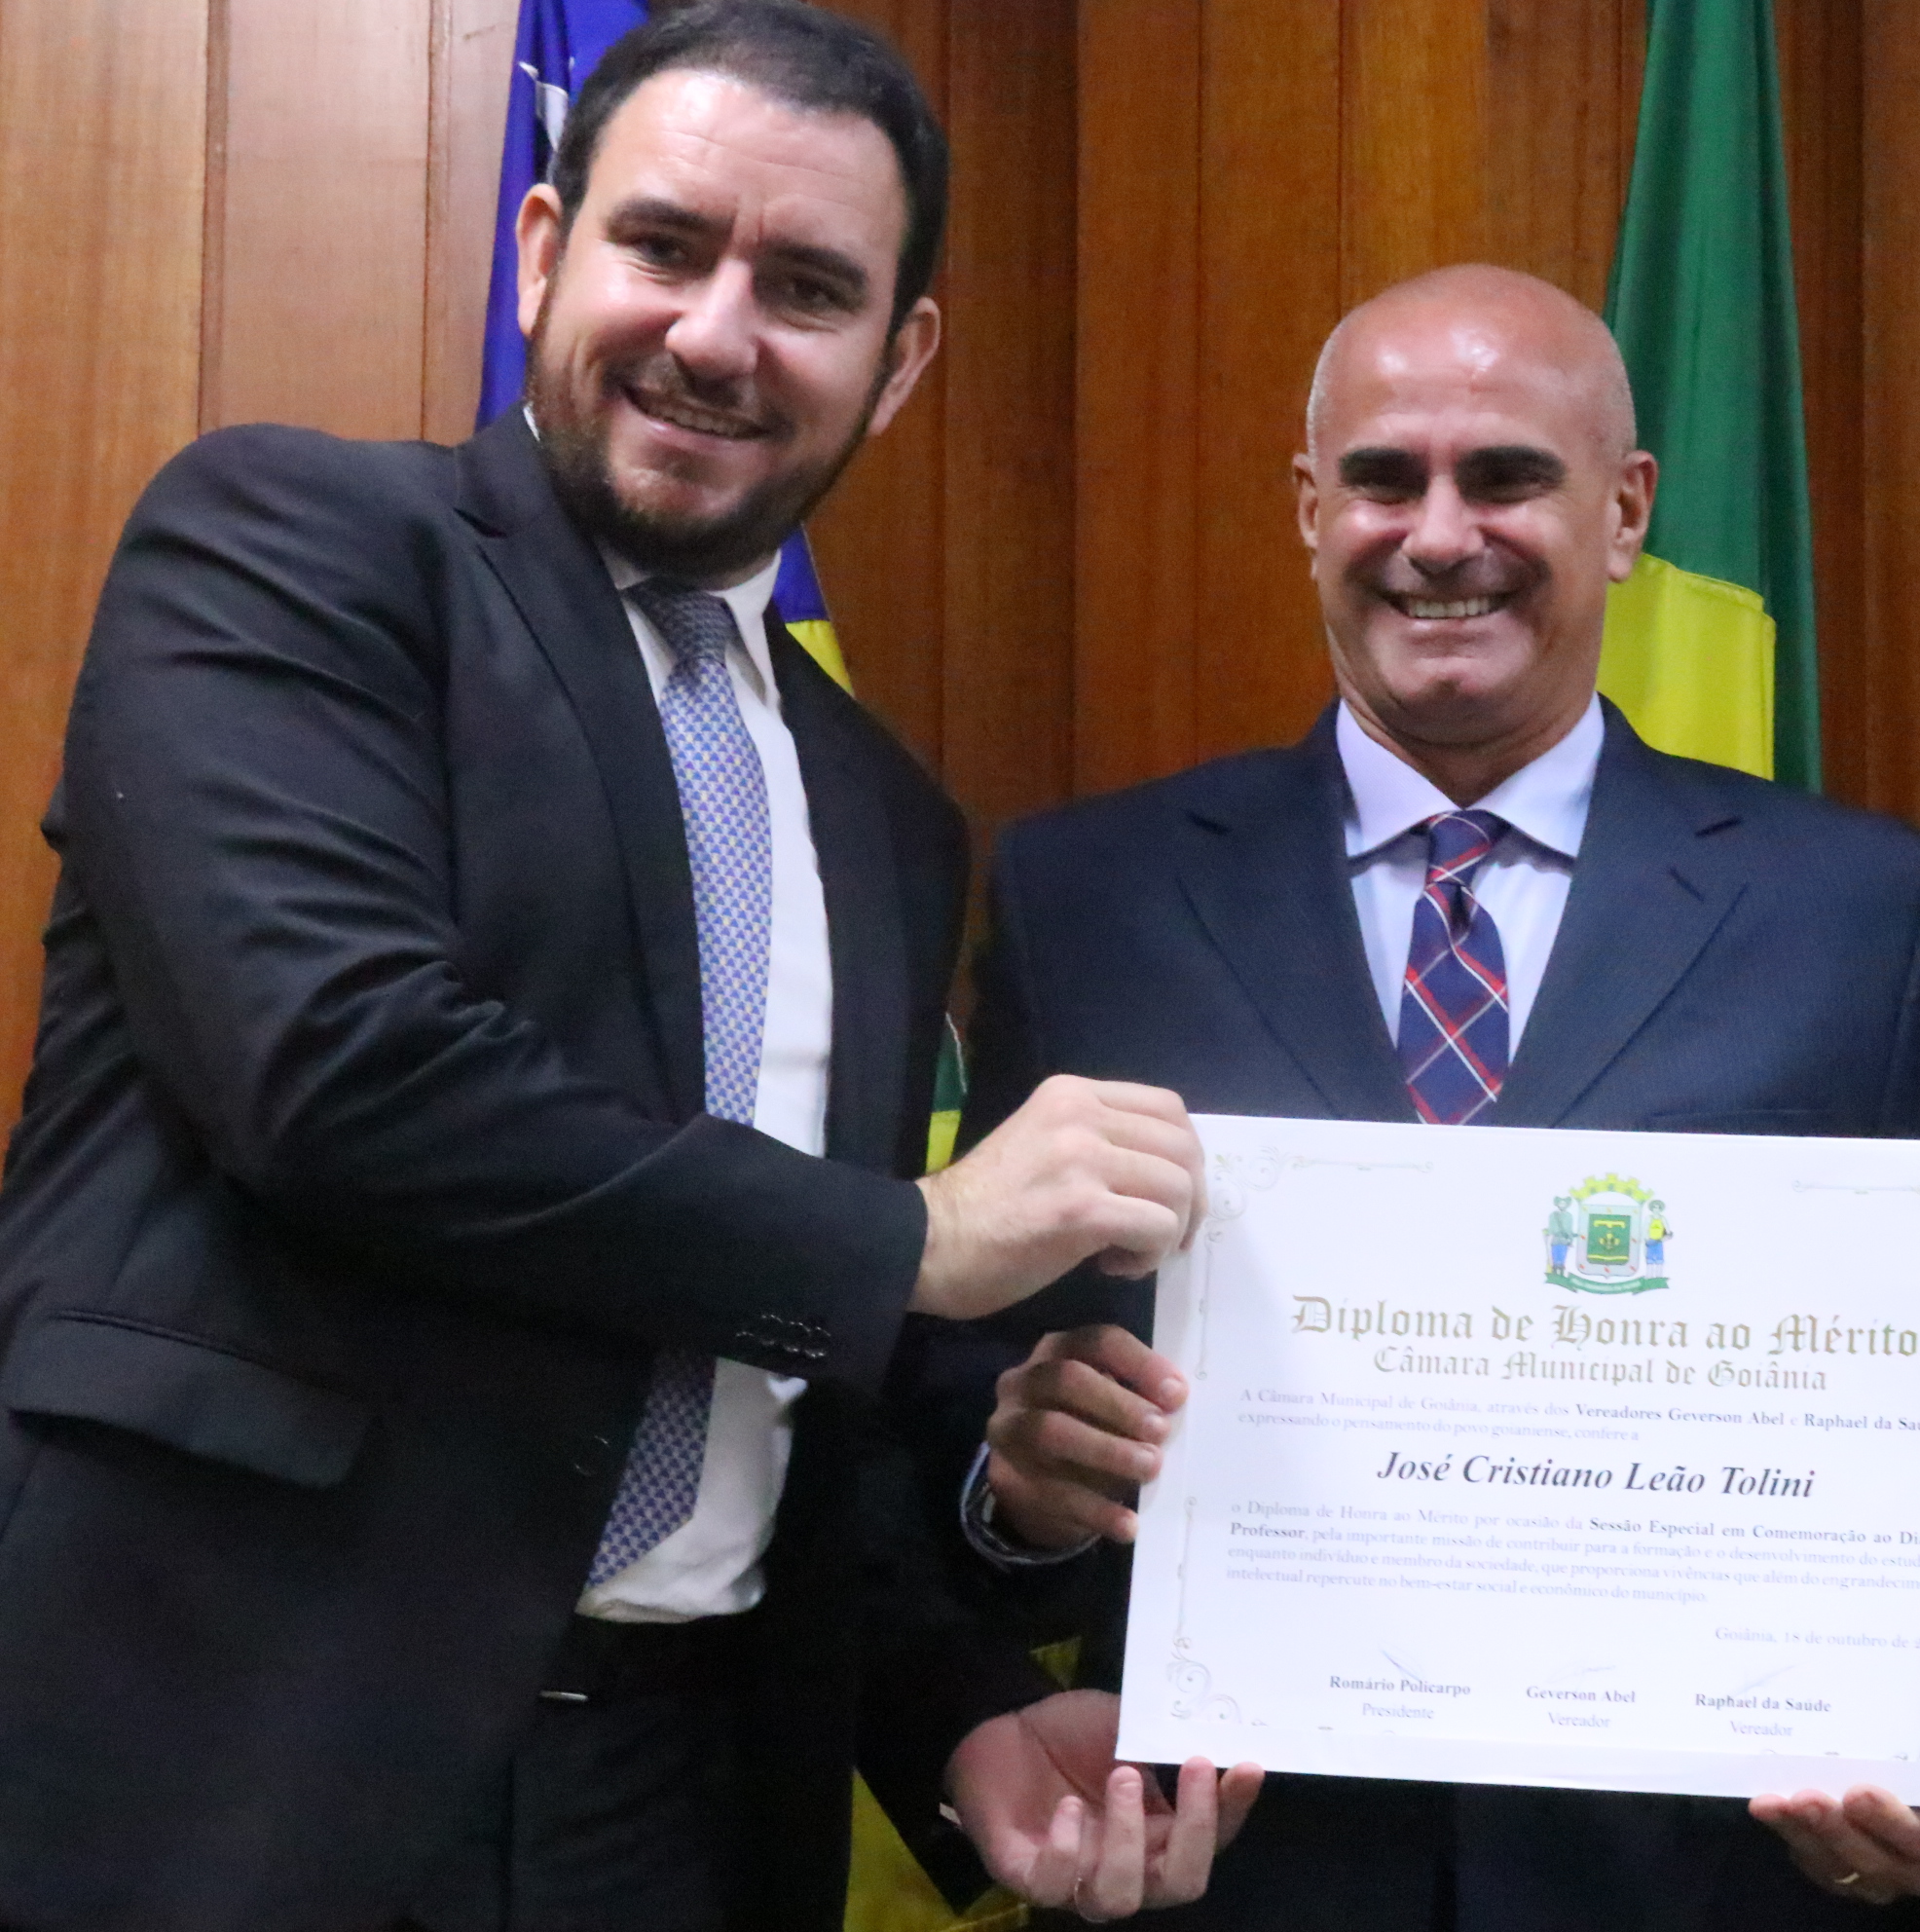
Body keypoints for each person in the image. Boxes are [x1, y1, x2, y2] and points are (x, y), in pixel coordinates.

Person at [0, 7, 1248, 1928]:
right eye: (665, 246)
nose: (717, 334)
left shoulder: (888, 820)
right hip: (231, 1768)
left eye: (809, 288)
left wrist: (964, 1710)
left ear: (900, 361)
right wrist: (914, 1238)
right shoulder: (295, 548)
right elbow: (336, 1077)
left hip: (682, 1808)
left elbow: (782, 1386)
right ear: (540, 251)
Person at [898, 263, 1920, 1928]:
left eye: (1506, 477)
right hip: (1244, 1881)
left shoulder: (1856, 916)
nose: (1439, 536)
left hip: (1693, 1887)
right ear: (1310, 509)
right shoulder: (1094, 899)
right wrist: (1015, 1502)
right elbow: (955, 1392)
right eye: (1383, 478)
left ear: (1625, 513)